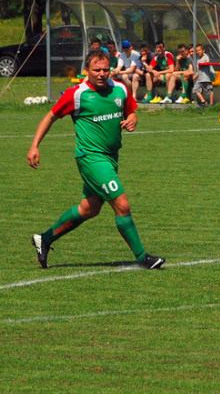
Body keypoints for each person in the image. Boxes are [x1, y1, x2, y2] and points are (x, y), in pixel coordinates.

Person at [27, 50, 165, 270]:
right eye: (96, 70)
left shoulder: (120, 89)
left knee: (89, 209)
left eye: (105, 69)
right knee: (122, 205)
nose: (101, 74)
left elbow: (131, 112)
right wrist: (35, 146)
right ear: (86, 71)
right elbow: (50, 116)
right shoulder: (77, 94)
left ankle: (44, 239)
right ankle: (142, 257)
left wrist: (132, 119)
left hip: (111, 158)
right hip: (91, 158)